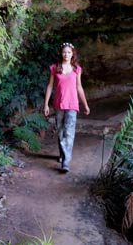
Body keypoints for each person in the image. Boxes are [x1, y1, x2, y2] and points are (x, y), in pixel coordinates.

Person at [43, 42, 90, 172]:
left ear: (72, 54)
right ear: (61, 53)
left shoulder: (76, 69)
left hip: (72, 104)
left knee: (69, 132)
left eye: (69, 52)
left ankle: (66, 162)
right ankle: (63, 154)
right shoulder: (55, 68)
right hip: (59, 104)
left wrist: (85, 104)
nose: (66, 54)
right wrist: (46, 104)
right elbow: (50, 86)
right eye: (64, 52)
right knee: (60, 131)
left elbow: (79, 87)